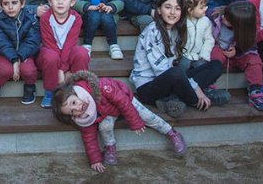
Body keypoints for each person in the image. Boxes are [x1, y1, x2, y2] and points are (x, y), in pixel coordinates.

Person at [52, 70, 187, 172]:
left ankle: (171, 133)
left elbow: (123, 102)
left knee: (146, 116)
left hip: (125, 101)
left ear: (77, 93)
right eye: (72, 111)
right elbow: (88, 137)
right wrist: (95, 159)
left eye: (74, 102)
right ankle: (110, 148)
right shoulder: (83, 116)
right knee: (105, 126)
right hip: (109, 112)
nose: (77, 108)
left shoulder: (101, 87)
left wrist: (135, 122)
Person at [129, 0, 228, 118]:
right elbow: (162, 70)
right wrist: (196, 88)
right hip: (148, 87)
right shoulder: (153, 31)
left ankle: (176, 99)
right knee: (177, 72)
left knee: (215, 66)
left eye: (177, 8)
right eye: (168, 7)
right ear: (159, 10)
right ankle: (195, 100)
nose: (172, 13)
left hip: (171, 80)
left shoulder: (177, 30)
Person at [37, 0, 90, 108]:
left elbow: (70, 44)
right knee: (50, 55)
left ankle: (79, 87)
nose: (60, 2)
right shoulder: (45, 18)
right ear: (50, 1)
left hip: (67, 52)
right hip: (49, 52)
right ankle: (50, 91)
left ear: (72, 2)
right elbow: (49, 44)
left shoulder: (76, 18)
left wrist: (62, 69)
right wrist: (60, 71)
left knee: (81, 52)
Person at [210, 1, 263, 111]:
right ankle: (209, 84)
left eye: (228, 19)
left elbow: (250, 46)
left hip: (239, 55)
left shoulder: (247, 30)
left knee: (254, 60)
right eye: (225, 14)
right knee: (216, 53)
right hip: (220, 51)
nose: (223, 17)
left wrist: (236, 51)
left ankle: (256, 90)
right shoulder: (215, 18)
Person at [180, 0, 215, 70]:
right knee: (183, 65)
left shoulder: (206, 21)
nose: (205, 9)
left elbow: (209, 40)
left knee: (202, 67)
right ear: (190, 10)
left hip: (198, 55)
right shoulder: (181, 22)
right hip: (183, 55)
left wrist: (204, 56)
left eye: (205, 6)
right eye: (201, 7)